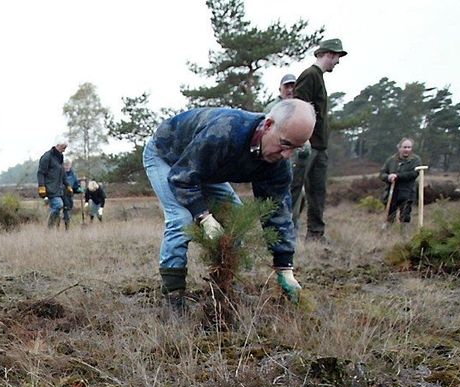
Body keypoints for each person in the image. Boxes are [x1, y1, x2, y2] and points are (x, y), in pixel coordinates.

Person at [142, 99, 316, 308]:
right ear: (268, 125)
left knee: (236, 217)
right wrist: (204, 217)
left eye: (295, 149)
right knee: (181, 219)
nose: (287, 155)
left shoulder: (278, 164)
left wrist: (284, 267)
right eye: (285, 144)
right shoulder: (225, 132)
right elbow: (182, 178)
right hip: (167, 156)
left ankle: (223, 285)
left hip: (202, 167)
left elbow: (277, 212)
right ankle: (174, 297)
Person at [289, 37, 348, 241]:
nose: (338, 62)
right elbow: (298, 109)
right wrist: (303, 139)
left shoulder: (318, 77)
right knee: (295, 190)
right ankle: (285, 232)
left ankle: (315, 234)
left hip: (320, 147)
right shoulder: (309, 75)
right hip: (307, 145)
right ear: (329, 54)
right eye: (337, 57)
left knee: (317, 192)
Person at [379, 138, 423, 228]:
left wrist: (398, 176)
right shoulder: (391, 160)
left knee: (405, 216)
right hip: (391, 192)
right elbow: (382, 174)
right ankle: (387, 235)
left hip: (407, 192)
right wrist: (388, 177)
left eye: (409, 147)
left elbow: (414, 173)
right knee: (389, 216)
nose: (407, 149)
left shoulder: (416, 160)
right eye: (405, 147)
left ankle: (404, 237)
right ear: (399, 148)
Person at [37, 138, 70, 229]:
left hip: (58, 188)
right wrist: (41, 186)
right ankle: (49, 227)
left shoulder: (60, 157)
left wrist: (67, 185)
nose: (64, 150)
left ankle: (54, 230)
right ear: (58, 146)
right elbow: (40, 173)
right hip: (49, 187)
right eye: (63, 148)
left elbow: (62, 173)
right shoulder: (47, 157)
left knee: (57, 209)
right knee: (58, 205)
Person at [63, 158, 83, 228]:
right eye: (65, 165)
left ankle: (66, 227)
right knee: (62, 209)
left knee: (68, 210)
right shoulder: (59, 173)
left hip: (69, 196)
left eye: (68, 165)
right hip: (60, 195)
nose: (67, 166)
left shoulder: (73, 175)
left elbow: (75, 186)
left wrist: (79, 189)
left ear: (70, 165)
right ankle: (58, 226)